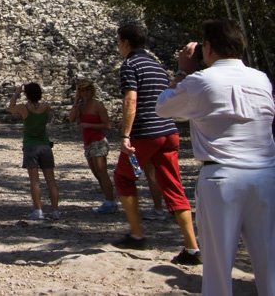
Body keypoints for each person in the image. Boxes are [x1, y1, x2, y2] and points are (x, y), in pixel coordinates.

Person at [157, 19, 275, 292]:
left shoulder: (200, 81)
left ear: (207, 47)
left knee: (218, 266)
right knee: (269, 261)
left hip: (221, 177)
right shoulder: (261, 79)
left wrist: (183, 71)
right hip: (266, 175)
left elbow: (163, 107)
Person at [110, 22, 200, 263]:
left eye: (118, 41)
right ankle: (192, 247)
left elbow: (131, 100)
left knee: (122, 176)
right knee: (173, 185)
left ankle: (137, 233)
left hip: (146, 132)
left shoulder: (130, 64)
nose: (118, 46)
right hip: (168, 130)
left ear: (126, 42)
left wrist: (125, 135)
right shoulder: (156, 65)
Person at [8, 83, 60, 221]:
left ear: (27, 94)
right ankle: (55, 211)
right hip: (45, 146)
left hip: (31, 146)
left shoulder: (24, 108)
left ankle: (38, 210)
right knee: (51, 181)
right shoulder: (45, 107)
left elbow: (11, 108)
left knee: (34, 181)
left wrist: (16, 93)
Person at [67, 80, 117, 214]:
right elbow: (71, 119)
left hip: (98, 141)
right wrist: (76, 104)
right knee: (96, 173)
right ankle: (108, 200)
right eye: (82, 90)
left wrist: (89, 126)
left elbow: (108, 125)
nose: (85, 93)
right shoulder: (81, 106)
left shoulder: (98, 105)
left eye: (87, 90)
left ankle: (111, 201)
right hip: (87, 142)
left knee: (102, 172)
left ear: (92, 90)